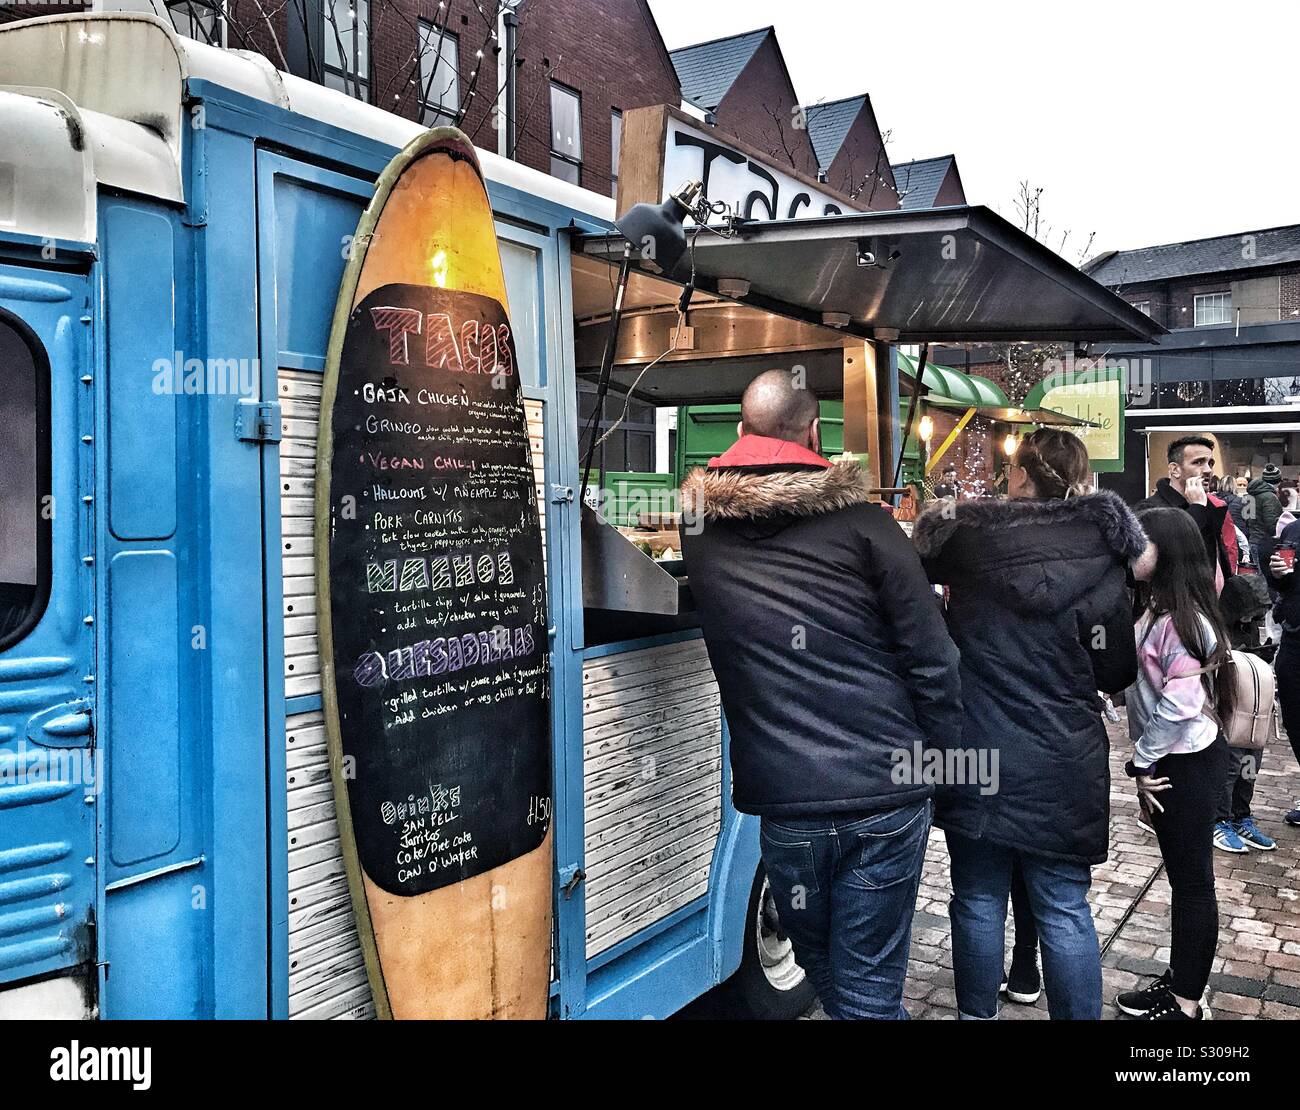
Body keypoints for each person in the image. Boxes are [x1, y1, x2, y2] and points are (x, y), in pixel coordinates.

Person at [680, 369, 962, 1020]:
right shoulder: (865, 523)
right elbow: (935, 657)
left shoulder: (699, 524)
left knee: (831, 977)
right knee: (863, 990)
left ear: (740, 431)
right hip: (887, 791)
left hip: (786, 805)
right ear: (812, 433)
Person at [914, 428, 1146, 1020]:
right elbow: (1117, 668)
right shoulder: (1104, 553)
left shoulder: (965, 545)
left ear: (1018, 476)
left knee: (977, 895)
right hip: (1063, 755)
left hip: (977, 747)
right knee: (1065, 906)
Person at [1116, 508, 1237, 1021]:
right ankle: (1182, 982)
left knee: (1192, 884)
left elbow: (1180, 705)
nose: (1129, 549)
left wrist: (1141, 762)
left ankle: (1187, 1001)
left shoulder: (1183, 623)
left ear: (1165, 553)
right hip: (1173, 760)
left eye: (1138, 541)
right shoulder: (1157, 611)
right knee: (1183, 881)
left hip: (1183, 763)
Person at [1135, 436, 1231, 589]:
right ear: (1175, 469)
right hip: (1171, 605)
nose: (1208, 470)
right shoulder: (1150, 509)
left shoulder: (1209, 505)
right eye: (1198, 462)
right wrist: (1197, 508)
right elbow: (1170, 556)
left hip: (1208, 604)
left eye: (1210, 463)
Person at [1261, 517, 1300, 828]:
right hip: (1295, 638)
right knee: (1294, 720)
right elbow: (1281, 586)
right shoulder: (1293, 530)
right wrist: (1278, 575)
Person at [1245, 464, 1284, 555]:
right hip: (1265, 543)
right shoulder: (1270, 497)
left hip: (1253, 540)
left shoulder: (1250, 495)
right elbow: (1272, 525)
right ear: (1277, 481)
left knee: (1257, 568)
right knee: (1265, 569)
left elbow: (1246, 519)